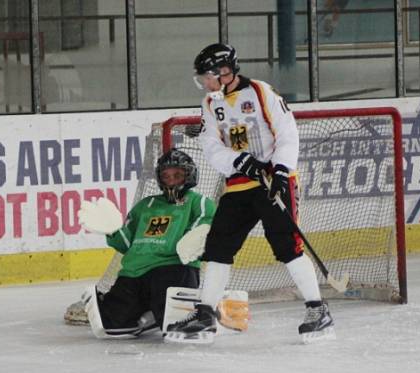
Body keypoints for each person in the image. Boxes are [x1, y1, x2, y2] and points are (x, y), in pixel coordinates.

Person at [166, 43, 334, 344]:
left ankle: (317, 309)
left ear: (225, 72)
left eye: (207, 76)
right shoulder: (209, 103)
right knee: (218, 245)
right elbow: (212, 146)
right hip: (240, 185)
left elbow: (287, 132)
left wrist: (281, 171)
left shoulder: (260, 92)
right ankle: (206, 313)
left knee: (286, 246)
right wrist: (239, 160)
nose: (204, 82)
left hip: (272, 183)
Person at [79, 149, 216, 338]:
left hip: (173, 268)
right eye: (166, 176)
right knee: (114, 327)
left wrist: (195, 240)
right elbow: (126, 244)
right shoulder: (146, 205)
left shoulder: (199, 202)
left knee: (174, 325)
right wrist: (113, 231)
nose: (171, 180)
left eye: (177, 175)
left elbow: (203, 229)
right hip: (133, 272)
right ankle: (149, 315)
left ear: (189, 175)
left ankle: (177, 312)